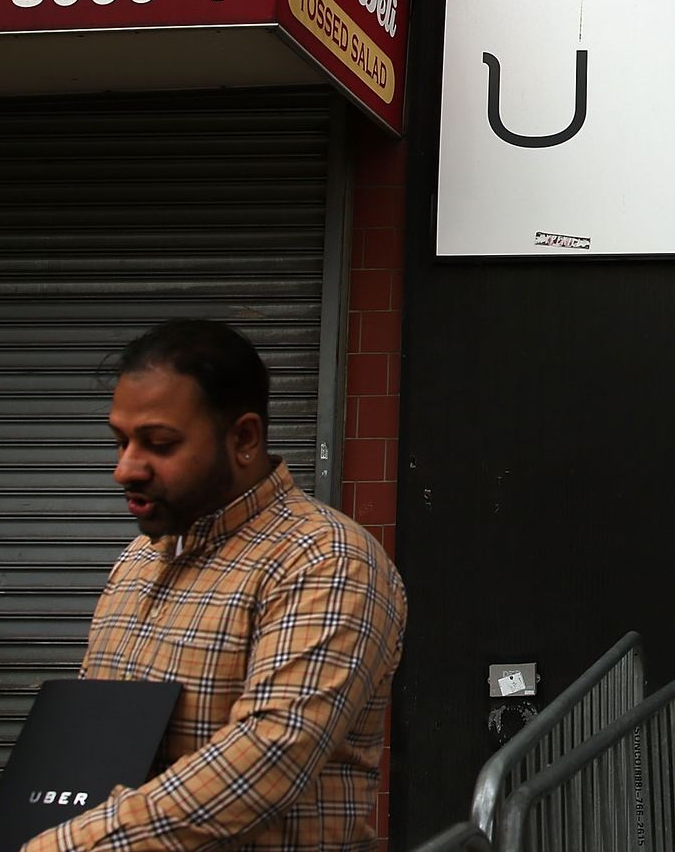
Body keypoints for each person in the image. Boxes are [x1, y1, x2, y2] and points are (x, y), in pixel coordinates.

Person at [23, 319, 408, 851]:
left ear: (244, 438)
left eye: (158, 444)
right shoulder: (139, 559)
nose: (125, 469)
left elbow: (266, 759)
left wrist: (64, 846)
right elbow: (93, 742)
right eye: (120, 441)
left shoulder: (326, 560)